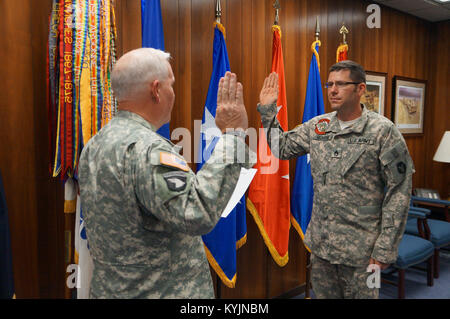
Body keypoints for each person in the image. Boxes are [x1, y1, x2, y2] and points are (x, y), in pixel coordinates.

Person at [78, 48, 255, 298]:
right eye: (171, 84)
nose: (173, 92)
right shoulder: (148, 149)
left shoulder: (95, 144)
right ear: (156, 89)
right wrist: (234, 135)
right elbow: (197, 213)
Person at [257, 60, 414, 299]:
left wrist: (385, 248)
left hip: (363, 252)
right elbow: (283, 147)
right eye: (329, 84)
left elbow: (399, 192)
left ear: (361, 89)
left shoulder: (383, 131)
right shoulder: (319, 127)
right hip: (323, 248)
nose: (332, 90)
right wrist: (268, 112)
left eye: (341, 84)